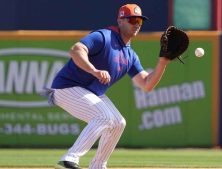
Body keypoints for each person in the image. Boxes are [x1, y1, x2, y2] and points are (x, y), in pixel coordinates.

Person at [51, 4, 170, 169]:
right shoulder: (104, 36)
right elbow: (76, 49)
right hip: (67, 87)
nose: (136, 24)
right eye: (132, 20)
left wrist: (163, 61)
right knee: (104, 117)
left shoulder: (130, 55)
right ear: (120, 21)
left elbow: (146, 84)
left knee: (119, 123)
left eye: (140, 21)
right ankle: (70, 158)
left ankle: (98, 165)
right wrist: (94, 71)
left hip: (91, 92)